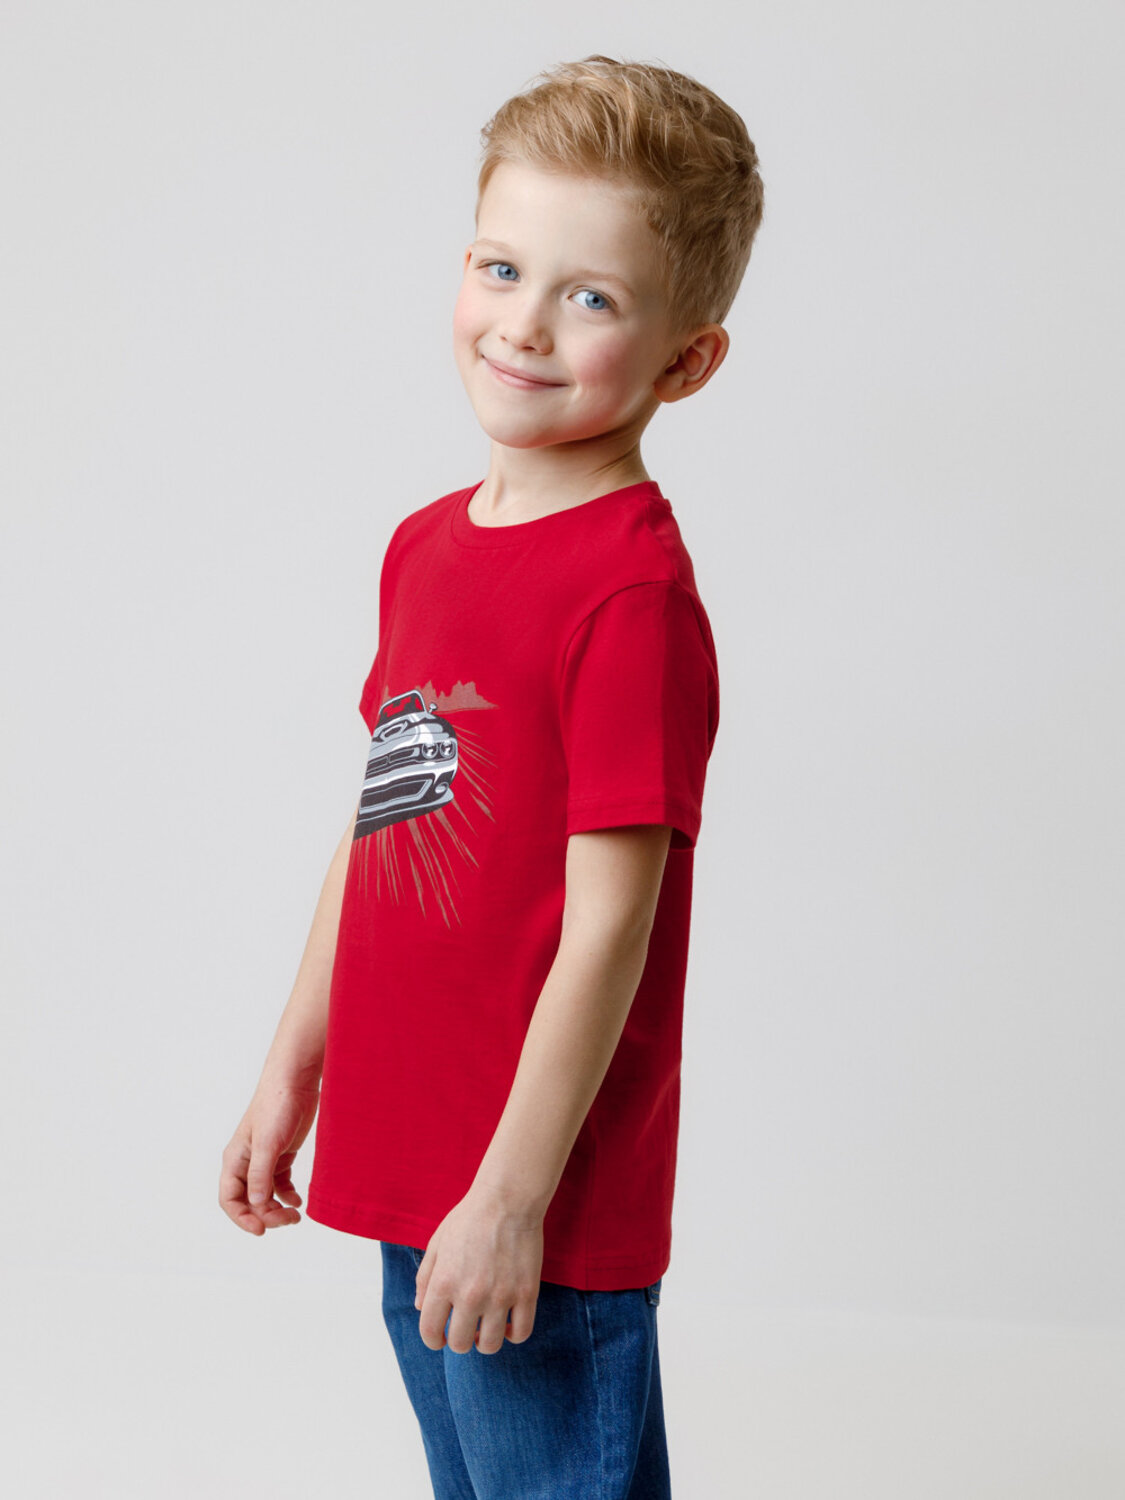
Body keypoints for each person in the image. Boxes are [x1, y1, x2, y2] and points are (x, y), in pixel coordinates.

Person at [219, 53, 764, 1499]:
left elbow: (610, 926)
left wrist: (513, 1198)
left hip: (534, 1197)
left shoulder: (630, 595)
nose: (522, 324)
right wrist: (293, 1068)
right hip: (416, 1157)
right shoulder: (423, 546)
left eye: (590, 298)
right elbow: (380, 826)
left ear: (685, 360)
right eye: (501, 267)